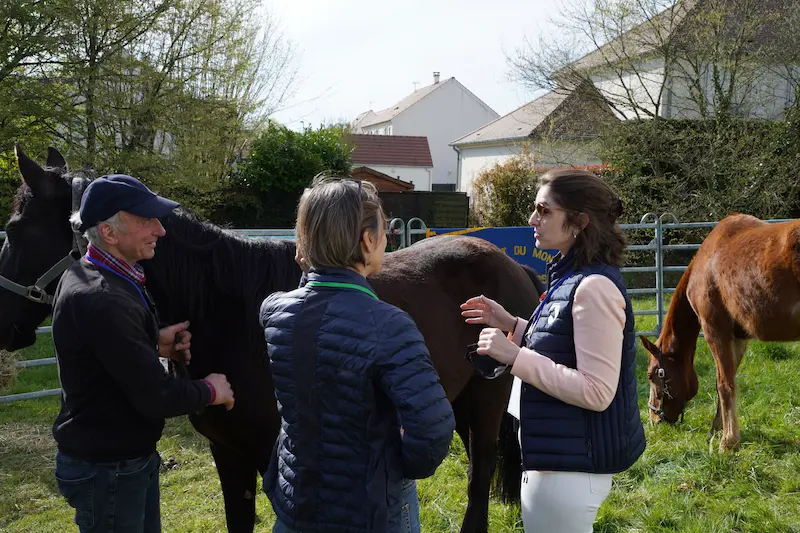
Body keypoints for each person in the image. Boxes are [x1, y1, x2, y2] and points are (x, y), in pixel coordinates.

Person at [259, 177, 455, 533]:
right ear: (368, 240)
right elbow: (433, 431)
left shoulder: (275, 313)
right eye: (384, 231)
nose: (386, 240)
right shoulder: (389, 325)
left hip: (295, 503)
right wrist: (397, 465)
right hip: (369, 512)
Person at [460, 169, 645, 533]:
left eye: (544, 211)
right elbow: (567, 348)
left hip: (569, 472)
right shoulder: (573, 277)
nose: (533, 219)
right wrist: (514, 325)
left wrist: (514, 356)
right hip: (561, 463)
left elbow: (596, 391)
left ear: (579, 222)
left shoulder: (592, 287)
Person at [51, 174, 235, 533]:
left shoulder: (94, 274)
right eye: (146, 220)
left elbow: (103, 353)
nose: (161, 230)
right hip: (109, 468)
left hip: (116, 457)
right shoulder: (103, 298)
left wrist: (151, 342)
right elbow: (156, 396)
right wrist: (212, 390)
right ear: (109, 232)